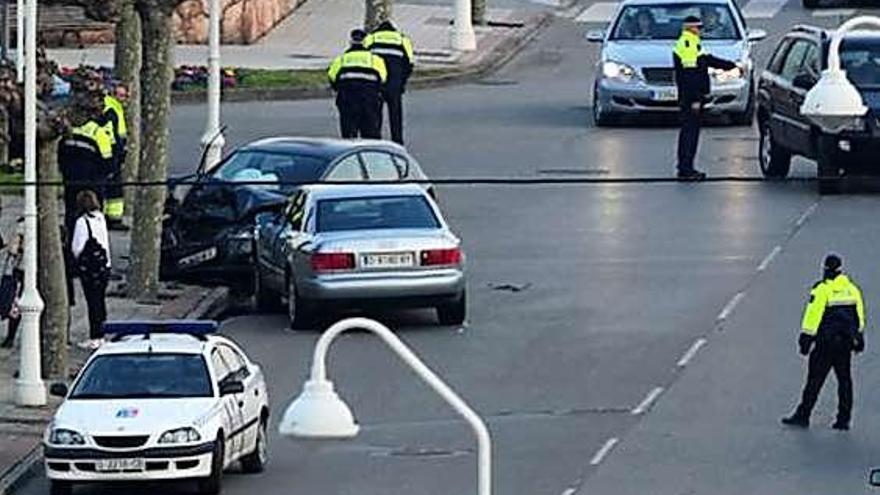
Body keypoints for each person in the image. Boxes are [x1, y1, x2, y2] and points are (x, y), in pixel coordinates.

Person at [782, 254, 866, 431]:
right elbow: (859, 316)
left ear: (826, 269)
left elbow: (813, 315)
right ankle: (843, 420)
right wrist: (858, 337)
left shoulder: (822, 289)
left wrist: (805, 339)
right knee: (845, 380)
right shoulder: (852, 289)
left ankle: (803, 415)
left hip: (826, 344)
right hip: (845, 343)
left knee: (814, 381)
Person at [672, 15, 737, 180]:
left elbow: (706, 60)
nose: (701, 31)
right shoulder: (687, 44)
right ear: (691, 28)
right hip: (691, 97)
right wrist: (695, 99)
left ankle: (687, 167)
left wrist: (729, 65)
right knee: (689, 133)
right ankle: (686, 169)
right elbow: (690, 75)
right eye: (698, 28)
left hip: (692, 96)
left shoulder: (692, 43)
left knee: (691, 132)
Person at [328, 29, 388, 140]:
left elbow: (332, 78)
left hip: (348, 103)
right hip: (369, 103)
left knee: (349, 137)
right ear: (366, 43)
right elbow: (382, 80)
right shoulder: (376, 61)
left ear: (351, 42)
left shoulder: (341, 60)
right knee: (371, 137)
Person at [71, 190, 111, 350]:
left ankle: (95, 335)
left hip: (90, 268)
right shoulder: (101, 219)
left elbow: (77, 246)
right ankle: (102, 334)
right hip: (104, 266)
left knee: (92, 301)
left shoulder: (82, 222)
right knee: (100, 301)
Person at [365, 20, 414, 144]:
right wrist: (402, 82)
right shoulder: (402, 40)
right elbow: (409, 64)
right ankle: (397, 140)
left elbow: (365, 58)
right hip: (394, 82)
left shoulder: (371, 39)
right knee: (395, 113)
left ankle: (376, 140)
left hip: (376, 84)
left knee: (375, 113)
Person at [102, 82, 129, 231]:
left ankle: (110, 216)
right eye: (121, 95)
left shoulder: (113, 106)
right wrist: (118, 153)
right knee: (113, 186)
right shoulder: (111, 108)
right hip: (111, 153)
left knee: (112, 186)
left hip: (110, 152)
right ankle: (113, 219)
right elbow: (113, 134)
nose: (124, 99)